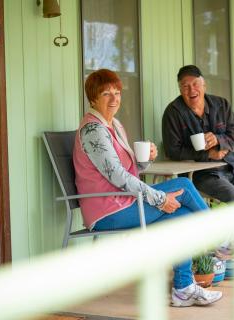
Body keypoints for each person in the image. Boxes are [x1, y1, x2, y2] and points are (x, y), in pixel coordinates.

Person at [73, 68, 222, 307]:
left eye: (117, 92)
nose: (114, 99)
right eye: (106, 94)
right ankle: (220, 237)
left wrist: (145, 160)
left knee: (182, 215)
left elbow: (129, 171)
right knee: (183, 184)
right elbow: (118, 176)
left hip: (123, 201)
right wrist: (159, 198)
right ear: (92, 98)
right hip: (107, 211)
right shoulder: (94, 130)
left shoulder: (114, 125)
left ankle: (183, 289)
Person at [162, 65, 234, 277]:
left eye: (195, 84)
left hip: (233, 165)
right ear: (179, 89)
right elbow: (172, 150)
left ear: (203, 84)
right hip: (202, 173)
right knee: (232, 196)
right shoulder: (173, 112)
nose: (191, 90)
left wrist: (220, 140)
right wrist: (208, 155)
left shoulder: (221, 104)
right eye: (184, 86)